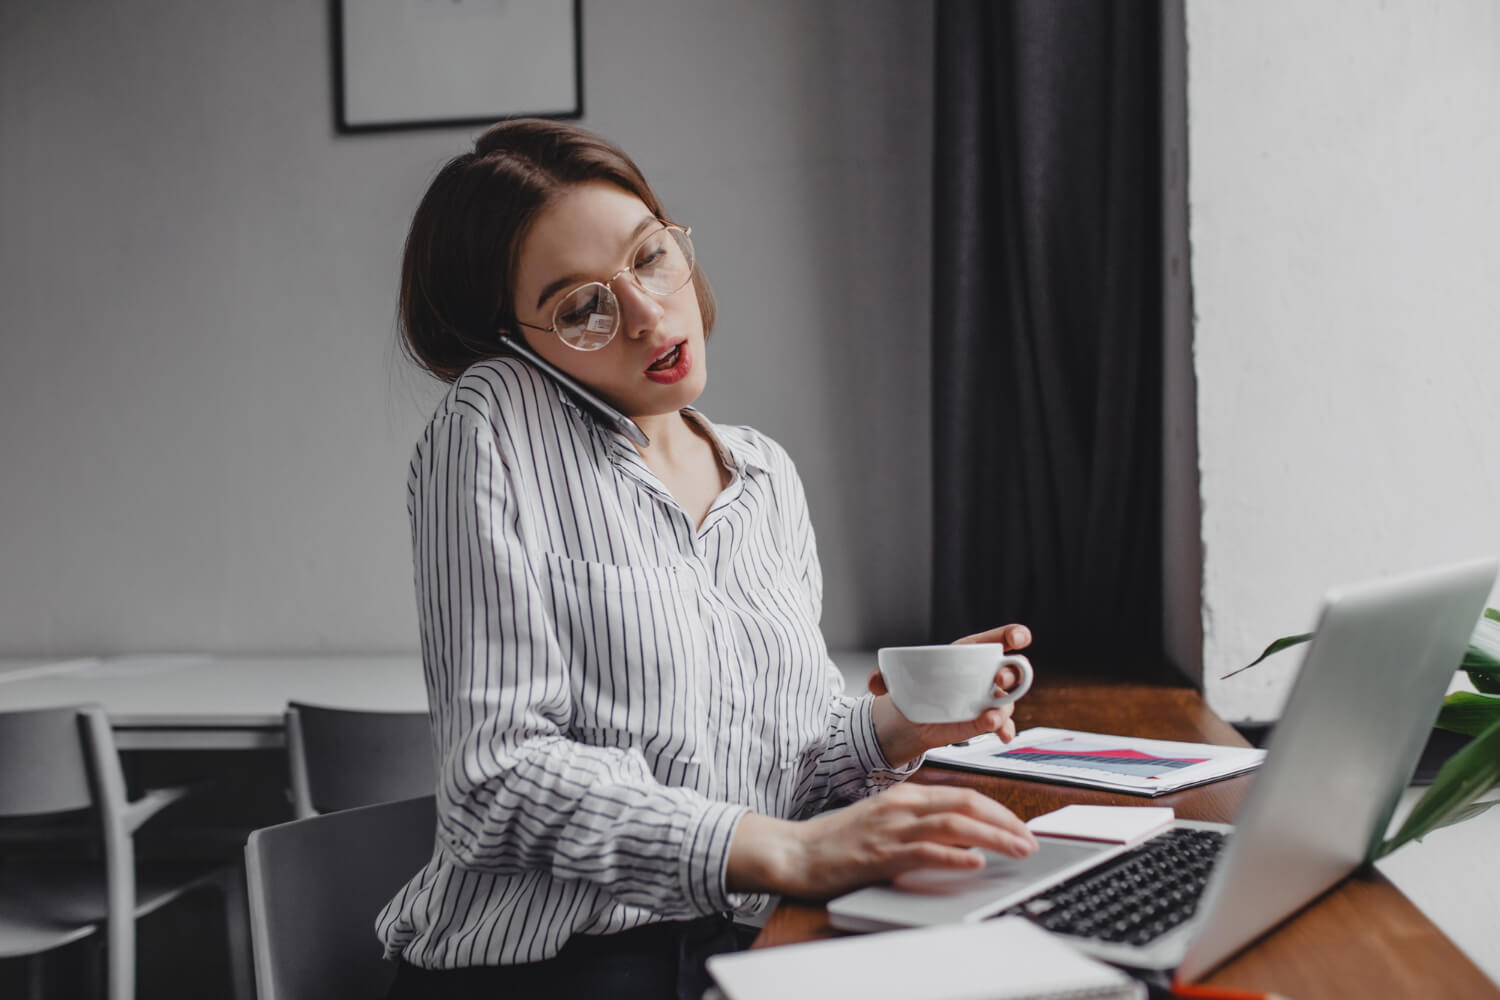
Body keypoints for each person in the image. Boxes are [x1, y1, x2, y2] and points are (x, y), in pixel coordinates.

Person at [376, 118, 1039, 1000]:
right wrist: (790, 852)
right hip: (559, 971)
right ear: (513, 341)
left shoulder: (761, 472)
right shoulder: (491, 420)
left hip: (746, 940)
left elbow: (777, 769)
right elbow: (495, 779)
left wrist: (898, 729)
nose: (648, 315)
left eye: (650, 258)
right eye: (581, 308)